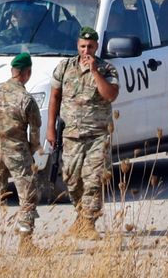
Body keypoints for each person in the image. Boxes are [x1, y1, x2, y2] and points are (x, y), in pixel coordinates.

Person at [46, 26, 119, 238]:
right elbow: (55, 97)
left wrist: (95, 72)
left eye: (90, 46)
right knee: (71, 179)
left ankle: (89, 223)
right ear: (77, 46)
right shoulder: (65, 67)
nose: (86, 50)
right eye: (82, 46)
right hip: (71, 135)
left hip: (98, 135)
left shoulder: (107, 69)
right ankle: (81, 216)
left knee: (94, 179)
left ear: (96, 47)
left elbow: (110, 95)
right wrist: (51, 128)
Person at [0, 52, 41, 252]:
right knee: (27, 197)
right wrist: (31, 149)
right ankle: (25, 243)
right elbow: (35, 130)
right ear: (27, 73)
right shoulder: (26, 99)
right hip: (18, 152)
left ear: (13, 71)